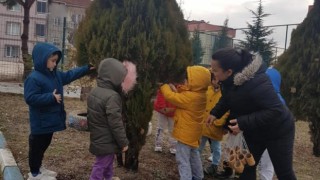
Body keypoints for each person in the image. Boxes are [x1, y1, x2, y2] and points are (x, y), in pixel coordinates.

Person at [207, 48, 296, 180]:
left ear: (229, 71)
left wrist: (243, 123)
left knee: (283, 172)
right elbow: (227, 98)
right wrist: (215, 113)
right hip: (255, 130)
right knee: (246, 168)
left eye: (215, 70)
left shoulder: (257, 82)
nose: (212, 72)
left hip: (278, 130)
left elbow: (275, 110)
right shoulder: (228, 81)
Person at [24, 42, 94, 180]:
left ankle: (39, 168)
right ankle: (34, 174)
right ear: (42, 60)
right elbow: (30, 98)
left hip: (49, 122)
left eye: (56, 61)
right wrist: (50, 97)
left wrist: (86, 69)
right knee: (37, 147)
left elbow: (70, 74)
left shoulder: (54, 75)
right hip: (40, 122)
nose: (55, 64)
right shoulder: (33, 78)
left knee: (44, 145)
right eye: (52, 61)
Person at [87, 58, 137, 180]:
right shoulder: (112, 96)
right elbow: (115, 123)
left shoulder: (95, 91)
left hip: (98, 136)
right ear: (113, 77)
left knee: (108, 162)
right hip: (107, 139)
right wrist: (123, 142)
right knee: (101, 165)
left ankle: (108, 178)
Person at [160, 65, 211, 180]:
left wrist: (164, 86)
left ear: (195, 83)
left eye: (187, 80)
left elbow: (171, 97)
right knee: (194, 155)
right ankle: (198, 176)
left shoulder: (190, 97)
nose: (184, 81)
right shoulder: (202, 94)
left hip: (185, 135)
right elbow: (184, 95)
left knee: (182, 160)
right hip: (193, 134)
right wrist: (175, 88)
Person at [258, 66, 287, 180]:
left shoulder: (273, 99)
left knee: (265, 165)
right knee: (265, 165)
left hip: (270, 137)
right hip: (271, 137)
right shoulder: (277, 97)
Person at [198, 72, 229, 176]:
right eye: (213, 79)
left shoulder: (224, 93)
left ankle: (214, 165)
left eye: (215, 79)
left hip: (215, 127)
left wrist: (219, 121)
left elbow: (227, 110)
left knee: (216, 148)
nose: (214, 81)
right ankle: (196, 162)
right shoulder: (208, 90)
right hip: (204, 124)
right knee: (199, 145)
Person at [153, 89, 177, 154]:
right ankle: (158, 144)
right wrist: (162, 108)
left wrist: (175, 109)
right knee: (160, 127)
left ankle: (173, 146)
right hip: (162, 110)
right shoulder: (164, 85)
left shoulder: (180, 86)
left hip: (173, 112)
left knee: (173, 129)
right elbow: (160, 94)